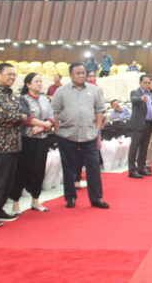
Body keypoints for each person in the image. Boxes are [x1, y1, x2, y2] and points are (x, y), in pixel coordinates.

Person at [0, 63, 46, 228]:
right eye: (9, 74)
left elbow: (22, 115)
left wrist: (16, 119)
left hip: (14, 144)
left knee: (8, 182)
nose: (12, 77)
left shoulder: (11, 95)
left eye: (14, 75)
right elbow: (5, 116)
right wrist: (16, 118)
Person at [51, 62, 109, 209]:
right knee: (69, 167)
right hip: (66, 135)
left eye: (83, 72)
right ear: (71, 75)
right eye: (78, 73)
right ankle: (70, 197)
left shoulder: (94, 90)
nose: (82, 75)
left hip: (89, 135)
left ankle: (96, 198)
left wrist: (97, 130)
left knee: (93, 167)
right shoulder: (61, 91)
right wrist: (57, 130)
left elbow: (100, 110)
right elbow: (55, 111)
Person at [9, 73, 55, 214]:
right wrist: (45, 125)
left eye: (41, 81)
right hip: (26, 139)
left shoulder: (44, 100)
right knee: (21, 170)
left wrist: (42, 127)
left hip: (41, 140)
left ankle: (35, 200)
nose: (40, 84)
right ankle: (15, 203)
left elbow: (52, 117)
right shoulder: (22, 99)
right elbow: (25, 118)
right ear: (28, 84)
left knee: (39, 170)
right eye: (36, 81)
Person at [127, 74, 152, 179]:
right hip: (138, 125)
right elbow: (134, 99)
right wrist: (141, 99)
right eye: (145, 83)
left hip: (148, 124)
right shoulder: (135, 92)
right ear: (140, 83)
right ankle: (132, 170)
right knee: (134, 148)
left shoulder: (151, 94)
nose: (147, 85)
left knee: (144, 148)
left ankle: (141, 168)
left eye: (149, 83)